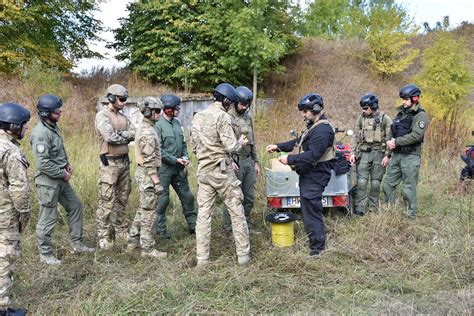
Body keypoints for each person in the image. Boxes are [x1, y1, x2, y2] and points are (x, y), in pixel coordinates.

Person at [266, 93, 335, 257]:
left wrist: (289, 159)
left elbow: (313, 155)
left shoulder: (323, 130)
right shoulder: (314, 127)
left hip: (316, 176)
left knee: (312, 212)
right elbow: (298, 142)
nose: (303, 115)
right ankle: (315, 243)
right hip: (309, 175)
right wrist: (278, 146)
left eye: (306, 111)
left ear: (316, 109)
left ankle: (317, 249)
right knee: (308, 210)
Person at [30, 94, 95, 265]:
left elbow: (57, 152)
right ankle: (45, 254)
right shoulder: (41, 133)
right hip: (48, 182)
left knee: (75, 206)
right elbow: (42, 163)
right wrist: (62, 173)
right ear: (46, 113)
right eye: (56, 111)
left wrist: (66, 164)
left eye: (59, 110)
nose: (60, 113)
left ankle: (77, 244)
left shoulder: (53, 127)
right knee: (48, 217)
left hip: (60, 179)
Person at [191, 83, 251, 266]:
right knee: (237, 211)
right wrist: (240, 142)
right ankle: (243, 256)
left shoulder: (198, 117)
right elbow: (231, 146)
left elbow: (194, 147)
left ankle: (202, 259)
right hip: (222, 172)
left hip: (204, 172)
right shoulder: (222, 117)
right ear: (226, 101)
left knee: (203, 216)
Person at [95, 84, 136, 250]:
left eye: (125, 99)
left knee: (123, 199)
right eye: (122, 99)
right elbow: (109, 136)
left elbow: (135, 132)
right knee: (107, 201)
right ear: (111, 98)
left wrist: (123, 135)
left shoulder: (124, 118)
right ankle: (103, 236)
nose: (124, 102)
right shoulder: (102, 116)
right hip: (109, 164)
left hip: (124, 163)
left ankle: (121, 231)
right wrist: (125, 136)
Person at [0, 103, 31, 315]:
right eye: (23, 125)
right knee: (5, 259)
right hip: (5, 216)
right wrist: (25, 215)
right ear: (12, 125)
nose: (26, 128)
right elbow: (19, 190)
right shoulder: (11, 152)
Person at [127, 97, 167, 258]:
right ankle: (147, 248)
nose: (160, 113)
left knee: (143, 208)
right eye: (157, 111)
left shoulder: (147, 127)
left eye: (160, 110)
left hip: (144, 173)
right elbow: (149, 161)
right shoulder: (147, 132)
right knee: (149, 212)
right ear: (149, 111)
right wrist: (156, 181)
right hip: (147, 174)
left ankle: (133, 240)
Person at [383, 84, 429, 218]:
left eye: (406, 99)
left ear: (415, 99)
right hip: (397, 155)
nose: (403, 102)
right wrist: (389, 149)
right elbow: (393, 132)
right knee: (387, 184)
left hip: (410, 157)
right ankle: (390, 211)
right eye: (403, 99)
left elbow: (416, 135)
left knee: (408, 188)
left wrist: (396, 142)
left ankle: (410, 215)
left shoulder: (421, 116)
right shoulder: (400, 114)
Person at [154, 93, 197, 239]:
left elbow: (183, 144)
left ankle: (193, 226)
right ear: (168, 109)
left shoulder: (177, 123)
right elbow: (158, 150)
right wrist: (174, 159)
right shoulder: (158, 125)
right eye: (176, 108)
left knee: (188, 196)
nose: (179, 110)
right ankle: (161, 231)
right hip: (164, 170)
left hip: (179, 169)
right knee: (163, 200)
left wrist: (185, 157)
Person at [223, 86, 261, 234]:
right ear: (235, 102)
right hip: (235, 161)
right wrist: (229, 161)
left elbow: (252, 141)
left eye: (247, 105)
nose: (244, 107)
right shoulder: (227, 117)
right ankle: (229, 228)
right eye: (242, 104)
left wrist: (256, 161)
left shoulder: (247, 117)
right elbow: (223, 142)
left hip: (248, 161)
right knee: (233, 196)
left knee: (249, 196)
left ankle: (246, 224)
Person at [349, 93, 393, 216]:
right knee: (362, 182)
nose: (363, 110)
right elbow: (355, 137)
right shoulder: (361, 118)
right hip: (363, 154)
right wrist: (352, 152)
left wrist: (387, 155)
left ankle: (373, 208)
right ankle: (360, 208)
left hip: (379, 154)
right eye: (363, 108)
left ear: (373, 106)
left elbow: (390, 138)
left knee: (375, 183)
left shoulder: (385, 119)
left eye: (366, 108)